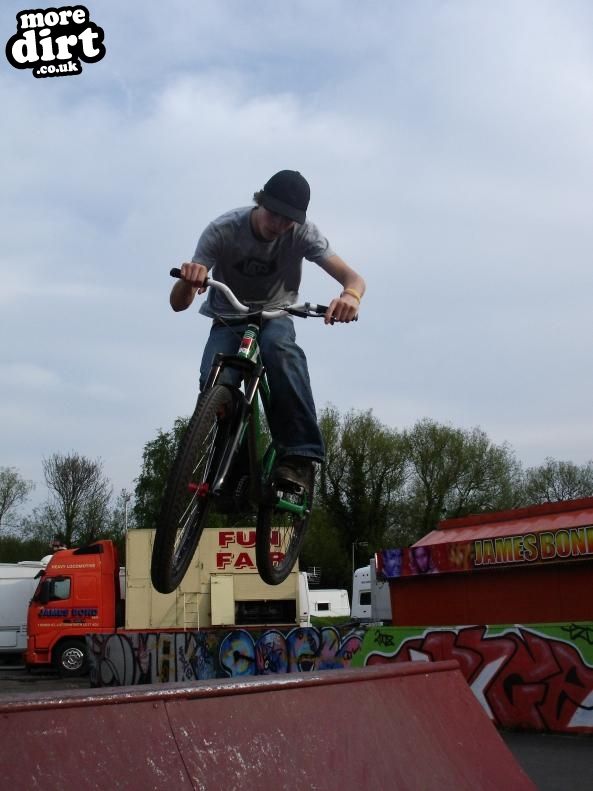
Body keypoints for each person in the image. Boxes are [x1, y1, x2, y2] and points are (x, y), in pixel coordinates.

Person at [170, 169, 365, 490]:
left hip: (276, 314)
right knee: (215, 382)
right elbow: (179, 304)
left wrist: (350, 297)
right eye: (274, 214)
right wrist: (188, 282)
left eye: (288, 220)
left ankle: (298, 457)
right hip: (228, 317)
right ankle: (232, 472)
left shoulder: (303, 234)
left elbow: (353, 279)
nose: (279, 225)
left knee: (281, 352)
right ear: (260, 201)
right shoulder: (222, 230)